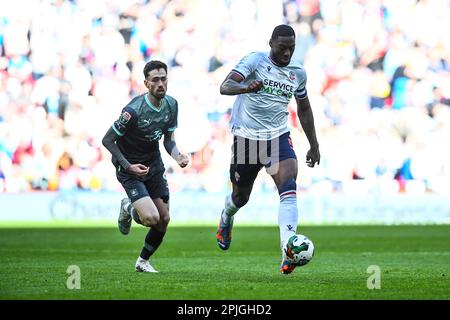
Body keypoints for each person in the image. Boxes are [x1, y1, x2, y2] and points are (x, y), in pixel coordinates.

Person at [216, 24, 320, 274]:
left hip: (278, 137)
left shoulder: (298, 72)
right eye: (283, 48)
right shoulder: (255, 61)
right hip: (247, 139)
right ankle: (227, 217)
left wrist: (314, 144)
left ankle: (288, 250)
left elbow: (304, 108)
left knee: (288, 186)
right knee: (240, 198)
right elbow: (225, 86)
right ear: (271, 43)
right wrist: (245, 88)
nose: (287, 53)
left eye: (291, 48)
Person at [102, 60, 189, 273]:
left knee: (164, 219)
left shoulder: (172, 104)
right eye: (155, 80)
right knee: (151, 218)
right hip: (129, 167)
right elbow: (107, 140)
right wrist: (127, 165)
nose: (161, 83)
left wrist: (178, 156)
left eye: (163, 79)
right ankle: (128, 207)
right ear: (146, 83)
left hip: (153, 164)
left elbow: (168, 140)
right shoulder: (133, 111)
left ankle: (142, 261)